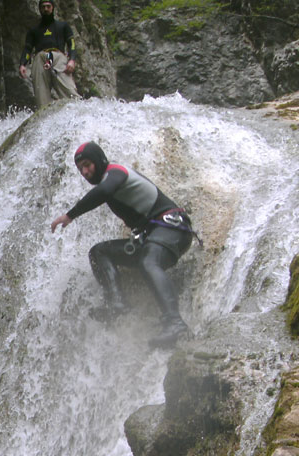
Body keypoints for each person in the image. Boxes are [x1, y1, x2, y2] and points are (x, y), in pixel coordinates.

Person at [50, 141, 196, 348]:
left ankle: (175, 322)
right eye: (80, 168)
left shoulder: (116, 171)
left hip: (173, 229)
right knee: (99, 252)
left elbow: (103, 191)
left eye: (87, 164)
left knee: (148, 261)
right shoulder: (108, 178)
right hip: (153, 236)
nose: (85, 171)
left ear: (100, 160)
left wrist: (70, 215)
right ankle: (116, 303)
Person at [19, 0, 80, 109]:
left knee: (69, 91)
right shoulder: (34, 31)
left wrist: (72, 60)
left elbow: (72, 44)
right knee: (41, 97)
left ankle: (79, 111)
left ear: (52, 8)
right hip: (40, 58)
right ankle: (45, 118)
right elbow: (27, 49)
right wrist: (22, 64)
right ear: (40, 9)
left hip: (58, 56)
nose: (46, 9)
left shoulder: (63, 26)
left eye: (48, 6)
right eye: (43, 7)